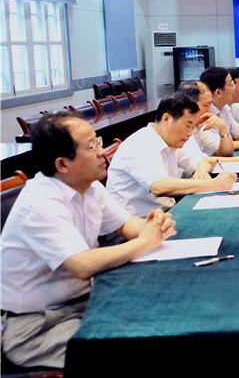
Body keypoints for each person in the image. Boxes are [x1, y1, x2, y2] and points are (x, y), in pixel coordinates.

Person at [1, 112, 177, 368]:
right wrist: (145, 242)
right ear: (62, 164)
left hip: (82, 303)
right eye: (91, 146)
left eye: (98, 142)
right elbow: (82, 265)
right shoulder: (40, 202)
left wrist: (154, 225)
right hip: (35, 325)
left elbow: (127, 225)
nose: (102, 153)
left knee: (161, 315)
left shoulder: (89, 187)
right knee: (138, 347)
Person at [106, 94, 238, 216]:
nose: (190, 133)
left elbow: (203, 161)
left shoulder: (171, 141)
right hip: (138, 223)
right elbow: (159, 186)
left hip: (166, 213)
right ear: (166, 119)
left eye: (193, 128)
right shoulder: (140, 144)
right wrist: (213, 184)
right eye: (188, 126)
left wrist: (200, 171)